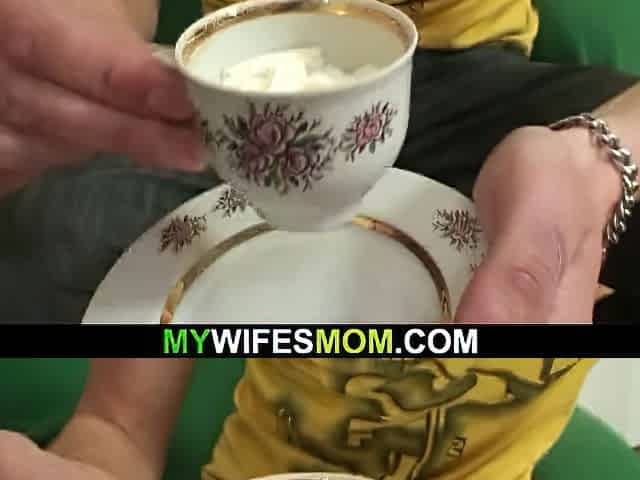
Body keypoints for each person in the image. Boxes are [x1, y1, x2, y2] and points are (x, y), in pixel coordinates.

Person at [0, 0, 637, 479]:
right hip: (238, 101)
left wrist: (603, 161)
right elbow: (116, 428)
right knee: (52, 233)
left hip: (473, 78)